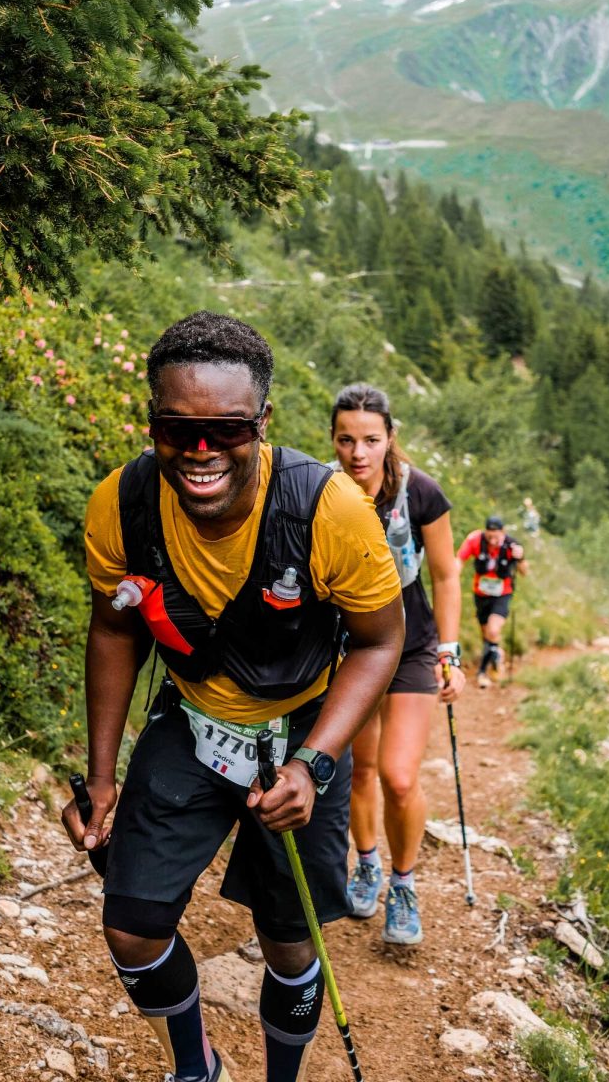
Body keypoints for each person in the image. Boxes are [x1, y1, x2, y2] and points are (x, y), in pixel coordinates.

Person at [62, 313, 405, 1082]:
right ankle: (196, 1069)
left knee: (291, 939)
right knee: (132, 926)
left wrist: (315, 766)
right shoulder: (122, 502)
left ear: (262, 422)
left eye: (226, 427)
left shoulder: (330, 511)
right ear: (153, 421)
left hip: (302, 726)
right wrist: (103, 775)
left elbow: (381, 642)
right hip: (192, 720)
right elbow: (115, 632)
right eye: (177, 428)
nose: (202, 448)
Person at [331, 383, 465, 947]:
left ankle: (404, 885)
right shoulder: (323, 491)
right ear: (333, 440)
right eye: (346, 439)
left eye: (370, 439)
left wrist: (449, 653)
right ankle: (367, 862)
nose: (358, 452)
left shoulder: (421, 493)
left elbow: (447, 575)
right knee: (359, 772)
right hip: (349, 649)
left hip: (411, 649)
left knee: (400, 776)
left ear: (390, 437)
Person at [456, 516, 526, 688]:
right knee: (486, 634)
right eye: (490, 536)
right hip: (481, 594)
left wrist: (520, 558)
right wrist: (451, 578)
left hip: (502, 593)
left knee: (493, 631)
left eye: (496, 536)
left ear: (503, 532)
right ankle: (496, 654)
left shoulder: (511, 545)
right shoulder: (476, 540)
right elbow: (459, 559)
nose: (493, 541)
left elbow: (524, 572)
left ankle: (482, 672)